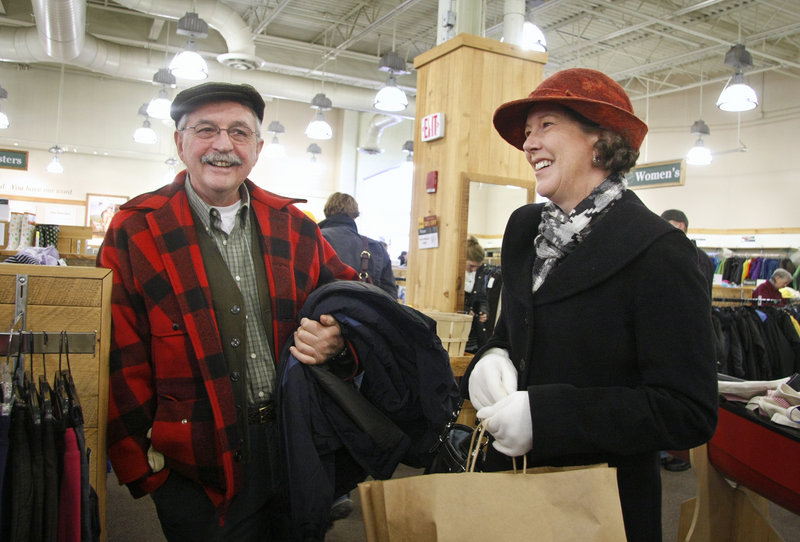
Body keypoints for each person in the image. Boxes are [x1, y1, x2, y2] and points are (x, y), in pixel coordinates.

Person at [462, 68, 718, 542]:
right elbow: (516, 328)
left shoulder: (660, 251)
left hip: (600, 505)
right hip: (506, 487)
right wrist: (491, 355)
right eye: (526, 133)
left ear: (600, 141)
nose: (529, 144)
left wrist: (547, 416)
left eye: (547, 125)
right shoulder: (524, 230)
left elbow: (687, 410)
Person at [97, 82, 358, 541]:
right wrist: (144, 470)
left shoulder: (296, 227)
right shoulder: (136, 228)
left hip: (295, 446)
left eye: (239, 132)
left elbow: (353, 303)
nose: (223, 145)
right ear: (180, 142)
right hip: (193, 461)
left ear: (257, 148)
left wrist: (336, 337)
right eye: (206, 130)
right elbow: (120, 355)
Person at [318, 192, 397, 298]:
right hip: (365, 312)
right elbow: (390, 296)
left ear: (326, 212)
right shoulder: (376, 247)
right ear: (355, 215)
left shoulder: (313, 239)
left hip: (318, 311)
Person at [660, 209, 716, 291]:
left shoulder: (700, 259)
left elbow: (702, 293)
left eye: (667, 223)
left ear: (681, 225)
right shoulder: (663, 254)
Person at [464, 236, 489, 354]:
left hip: (474, 333)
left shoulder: (479, 274)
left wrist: (484, 311)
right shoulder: (454, 274)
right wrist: (465, 311)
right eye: (471, 266)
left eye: (477, 267)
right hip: (458, 331)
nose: (474, 270)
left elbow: (482, 298)